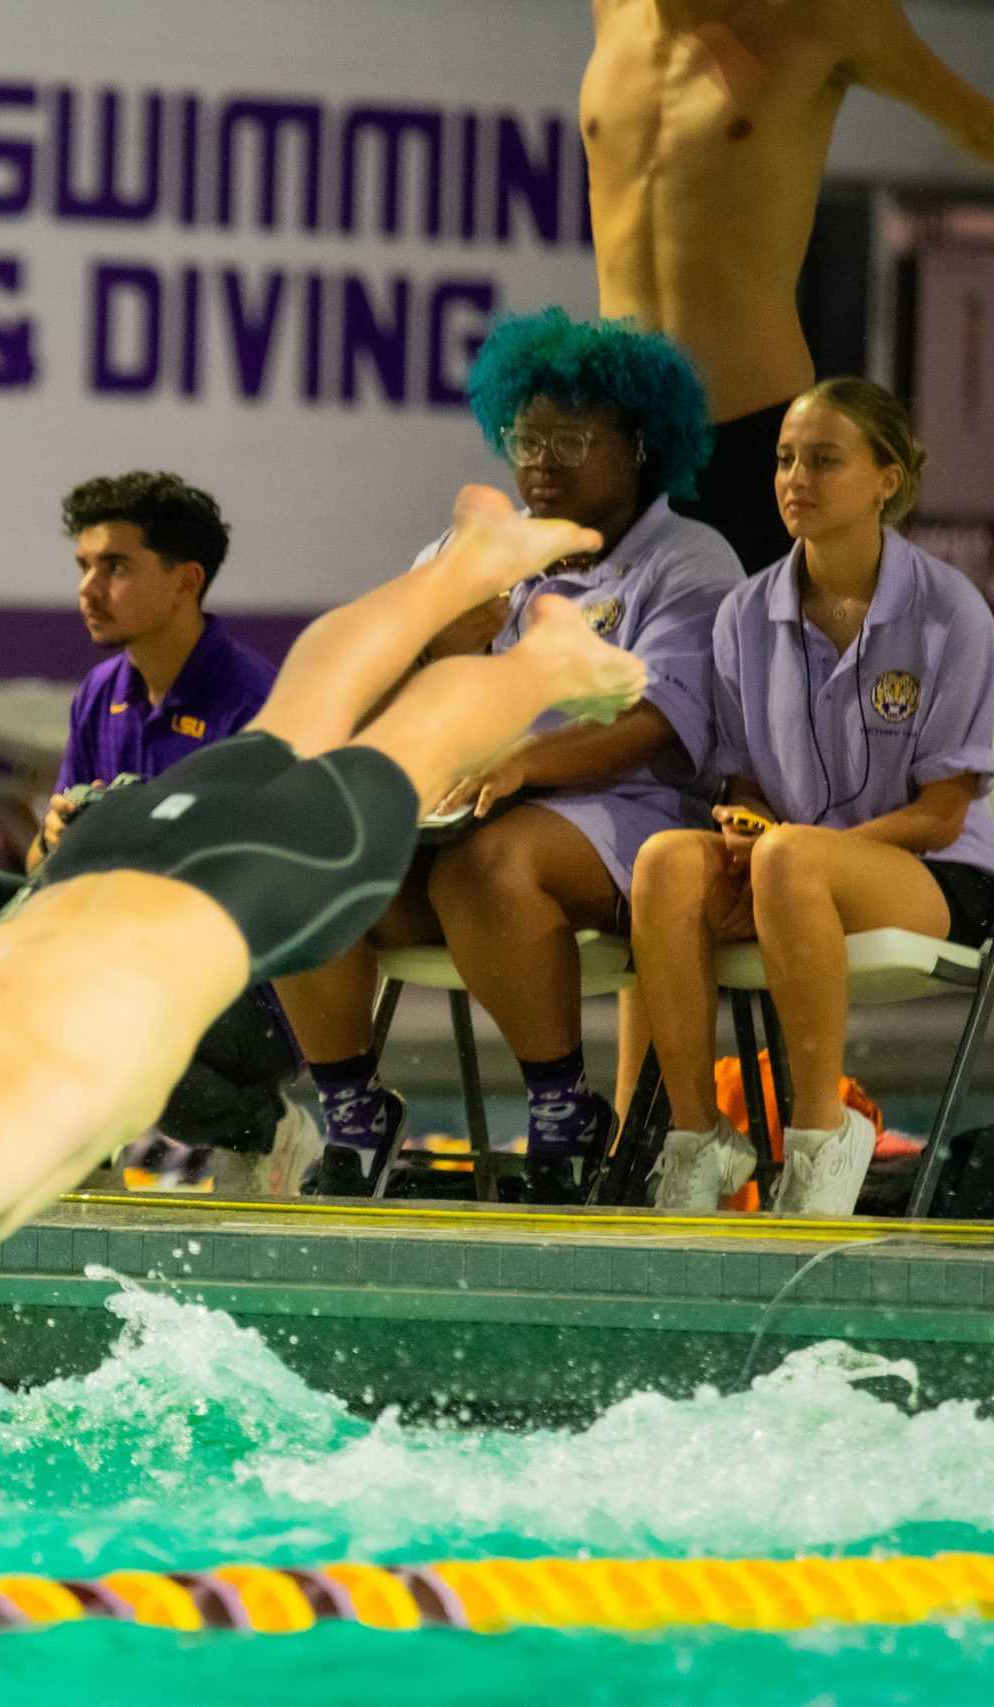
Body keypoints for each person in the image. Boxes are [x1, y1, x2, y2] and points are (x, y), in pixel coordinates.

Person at [0, 487, 651, 1525]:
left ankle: (548, 653)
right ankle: (463, 561)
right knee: (300, 715)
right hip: (107, 855)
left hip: (230, 894)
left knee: (404, 749)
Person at [275, 312, 740, 1203]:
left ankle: (566, 1116)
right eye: (526, 438)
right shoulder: (470, 553)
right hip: (464, 812)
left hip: (631, 817)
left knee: (487, 865)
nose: (540, 462)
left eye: (571, 439)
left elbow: (655, 721)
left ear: (640, 446)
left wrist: (525, 761)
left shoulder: (686, 560)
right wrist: (431, 647)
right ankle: (353, 1113)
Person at [632, 380, 994, 1215]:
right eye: (786, 459)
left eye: (824, 460)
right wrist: (743, 824)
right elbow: (745, 780)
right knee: (664, 861)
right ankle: (699, 1138)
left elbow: (944, 812)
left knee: (794, 858)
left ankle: (821, 1133)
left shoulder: (950, 612)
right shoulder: (741, 615)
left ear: (887, 478)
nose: (795, 477)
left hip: (935, 873)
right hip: (791, 869)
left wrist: (789, 852)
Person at [0, 472, 304, 1193]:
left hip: (253, 996)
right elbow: (40, 868)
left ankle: (263, 1125)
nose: (90, 587)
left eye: (116, 567)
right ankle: (69, 1141)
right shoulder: (102, 693)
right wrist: (59, 834)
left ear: (185, 581)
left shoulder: (255, 702)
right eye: (85, 566)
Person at [583, 0, 994, 572]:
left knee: (759, 656)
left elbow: (979, 125)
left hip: (749, 434)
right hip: (618, 432)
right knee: (602, 655)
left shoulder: (824, 16)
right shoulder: (611, 11)